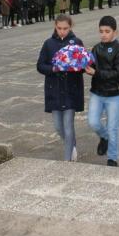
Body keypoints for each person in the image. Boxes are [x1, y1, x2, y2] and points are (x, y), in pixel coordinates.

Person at [36, 14, 84, 162]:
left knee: (68, 126)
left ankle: (67, 160)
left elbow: (84, 65)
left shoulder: (76, 42)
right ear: (55, 27)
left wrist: (74, 66)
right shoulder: (48, 43)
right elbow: (40, 65)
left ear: (70, 27)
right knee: (58, 126)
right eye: (59, 28)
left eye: (65, 28)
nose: (62, 31)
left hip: (71, 90)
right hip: (54, 90)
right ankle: (72, 145)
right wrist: (54, 69)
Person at [85, 16, 119, 167]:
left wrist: (95, 73)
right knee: (93, 122)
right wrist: (79, 62)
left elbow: (117, 73)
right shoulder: (96, 48)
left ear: (115, 32)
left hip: (114, 95)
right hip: (97, 92)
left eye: (107, 31)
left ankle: (112, 158)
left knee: (113, 127)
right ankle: (104, 138)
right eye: (101, 31)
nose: (103, 34)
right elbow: (90, 66)